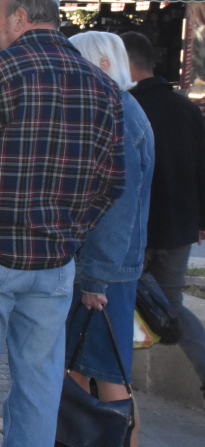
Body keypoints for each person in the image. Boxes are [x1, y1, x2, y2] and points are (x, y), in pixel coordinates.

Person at [0, 0, 125, 447]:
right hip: (54, 264)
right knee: (39, 390)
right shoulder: (103, 86)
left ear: (19, 17)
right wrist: (70, 232)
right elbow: (112, 183)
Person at [65, 32, 154, 447]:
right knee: (82, 373)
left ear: (101, 65)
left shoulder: (116, 113)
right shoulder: (124, 109)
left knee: (110, 381)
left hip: (106, 274)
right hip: (108, 270)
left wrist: (95, 279)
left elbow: (116, 207)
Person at [121, 31, 205, 399]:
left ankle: (109, 379)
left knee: (116, 300)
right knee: (170, 307)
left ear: (126, 64)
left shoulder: (127, 109)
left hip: (135, 228)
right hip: (179, 227)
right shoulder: (186, 107)